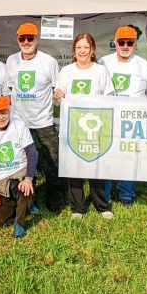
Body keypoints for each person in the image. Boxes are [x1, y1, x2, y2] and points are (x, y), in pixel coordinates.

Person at [54, 33, 114, 220]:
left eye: (86, 47)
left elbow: (110, 97)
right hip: (72, 127)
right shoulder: (66, 71)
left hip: (96, 127)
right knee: (75, 167)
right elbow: (57, 102)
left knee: (96, 166)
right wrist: (58, 96)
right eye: (79, 47)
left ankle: (102, 206)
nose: (82, 51)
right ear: (74, 51)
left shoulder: (100, 71)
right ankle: (77, 208)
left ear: (92, 50)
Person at [5, 21, 64, 211]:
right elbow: (8, 92)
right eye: (22, 38)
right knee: (22, 162)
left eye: (30, 38)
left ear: (37, 39)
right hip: (18, 123)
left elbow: (57, 91)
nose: (26, 41)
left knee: (52, 162)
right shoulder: (11, 61)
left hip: (43, 122)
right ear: (18, 39)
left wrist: (59, 99)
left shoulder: (48, 62)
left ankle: (54, 197)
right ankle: (28, 200)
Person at [100, 25, 147, 205]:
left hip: (134, 122)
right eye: (121, 42)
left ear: (135, 44)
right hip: (109, 120)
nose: (125, 46)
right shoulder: (103, 62)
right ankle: (105, 193)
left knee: (130, 156)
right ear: (115, 42)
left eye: (130, 43)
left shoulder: (144, 66)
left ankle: (126, 192)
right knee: (107, 156)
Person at [0, 96, 37, 238]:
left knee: (25, 189)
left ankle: (20, 223)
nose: (0, 117)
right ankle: (23, 205)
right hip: (1, 180)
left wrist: (28, 178)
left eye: (3, 112)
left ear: (9, 111)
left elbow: (32, 152)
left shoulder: (19, 125)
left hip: (20, 173)